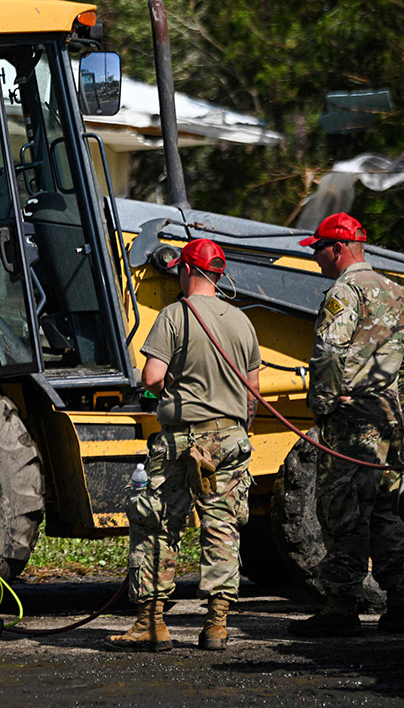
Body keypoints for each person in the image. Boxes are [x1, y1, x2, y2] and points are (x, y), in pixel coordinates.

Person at [109, 238, 260, 652]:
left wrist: (165, 392)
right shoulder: (242, 322)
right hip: (230, 439)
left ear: (188, 271)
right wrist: (236, 431)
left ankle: (152, 625)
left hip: (182, 442)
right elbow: (253, 394)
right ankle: (216, 626)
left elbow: (151, 378)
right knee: (222, 530)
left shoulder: (176, 315)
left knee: (156, 524)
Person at [288, 212, 404, 637]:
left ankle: (341, 605)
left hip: (352, 420)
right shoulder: (396, 290)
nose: (316, 257)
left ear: (338, 248)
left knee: (342, 509)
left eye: (319, 248)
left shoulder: (345, 291)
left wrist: (320, 404)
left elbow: (330, 352)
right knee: (387, 512)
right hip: (391, 419)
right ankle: (400, 600)